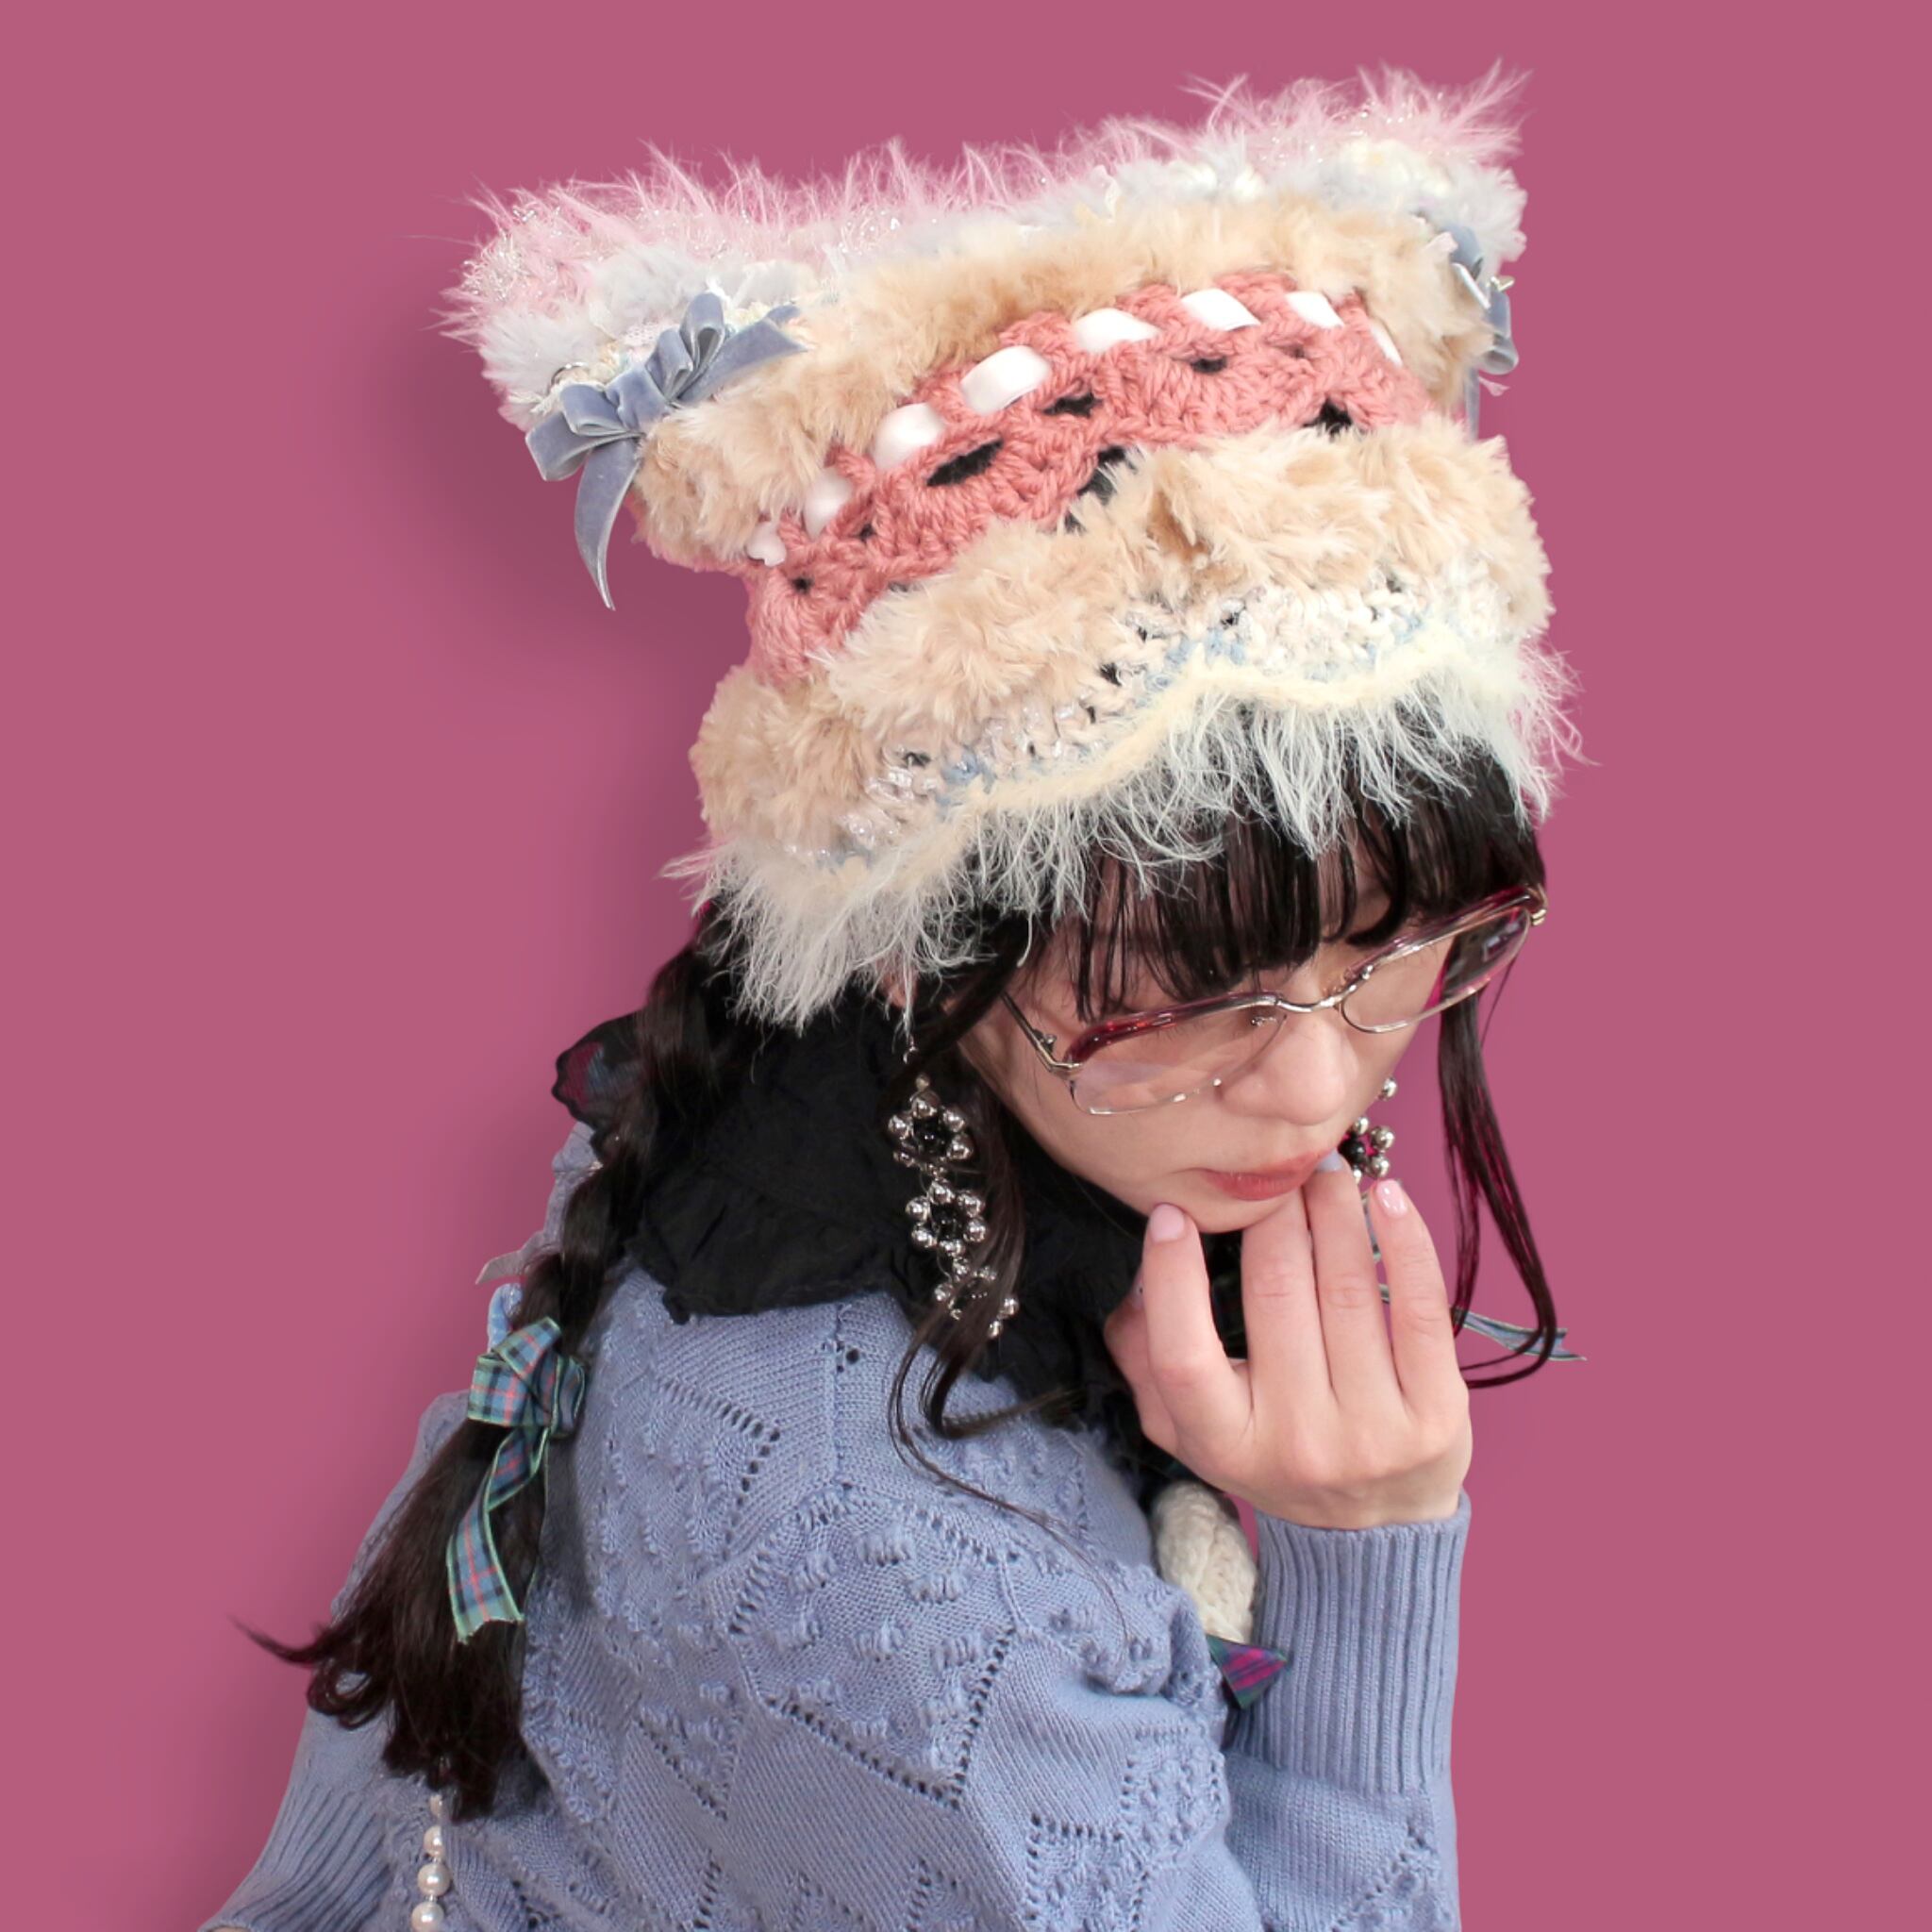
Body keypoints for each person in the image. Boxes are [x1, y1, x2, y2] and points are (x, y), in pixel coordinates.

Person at [199, 65, 1585, 1932]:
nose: (1321, 1085)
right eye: (1193, 991)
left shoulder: (782, 1139)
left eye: (1397, 946)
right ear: (922, 932)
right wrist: (1370, 1547)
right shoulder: (900, 1568)